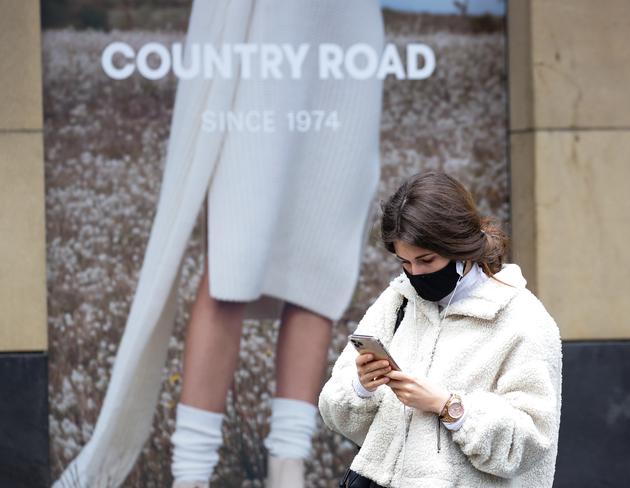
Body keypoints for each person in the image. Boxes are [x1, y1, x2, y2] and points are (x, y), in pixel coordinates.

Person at [53, 1, 384, 487]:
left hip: (345, 24)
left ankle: (287, 469)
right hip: (257, 22)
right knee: (235, 259)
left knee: (320, 258)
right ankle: (191, 476)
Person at [318, 170, 563, 488]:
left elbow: (530, 445)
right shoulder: (398, 300)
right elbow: (337, 412)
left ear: (460, 246)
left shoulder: (522, 318)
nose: (415, 274)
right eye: (404, 263)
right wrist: (362, 385)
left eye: (426, 260)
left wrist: (448, 406)